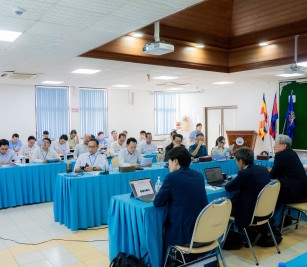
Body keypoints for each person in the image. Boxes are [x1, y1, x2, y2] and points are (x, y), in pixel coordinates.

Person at [154, 146, 208, 248]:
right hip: (203, 231)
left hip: (182, 234)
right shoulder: (199, 175)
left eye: (169, 162)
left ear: (175, 161)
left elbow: (157, 202)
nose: (168, 165)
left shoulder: (172, 177)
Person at [225, 147, 270, 231]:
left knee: (223, 208)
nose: (236, 163)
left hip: (249, 211)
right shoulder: (263, 169)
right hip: (263, 209)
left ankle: (228, 236)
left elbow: (228, 188)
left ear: (241, 161)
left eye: (236, 161)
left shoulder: (245, 173)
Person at [270, 135, 307, 226]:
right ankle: (286, 220)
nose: (274, 146)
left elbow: (273, 175)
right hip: (303, 192)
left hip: (293, 194)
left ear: (284, 145)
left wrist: (266, 171)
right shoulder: (292, 153)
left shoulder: (281, 155)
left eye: (276, 144)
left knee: (271, 194)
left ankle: (274, 223)